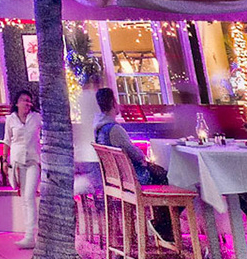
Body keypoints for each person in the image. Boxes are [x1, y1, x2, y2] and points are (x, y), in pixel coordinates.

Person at [95, 90, 172, 241]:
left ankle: (162, 225)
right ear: (113, 103)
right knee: (168, 178)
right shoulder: (115, 129)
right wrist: (143, 158)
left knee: (161, 175)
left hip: (116, 179)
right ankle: (163, 225)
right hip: (132, 179)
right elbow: (134, 153)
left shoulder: (100, 129)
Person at [4, 87, 42, 250]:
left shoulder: (36, 118)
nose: (27, 103)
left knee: (29, 196)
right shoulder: (11, 119)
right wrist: (4, 160)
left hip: (33, 161)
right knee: (25, 199)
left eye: (29, 101)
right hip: (17, 162)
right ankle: (29, 235)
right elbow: (7, 140)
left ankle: (30, 236)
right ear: (17, 103)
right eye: (24, 100)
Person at [72, 67, 104, 203]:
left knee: (93, 182)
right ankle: (99, 206)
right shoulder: (95, 98)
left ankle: (89, 204)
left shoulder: (82, 97)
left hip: (83, 149)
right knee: (98, 184)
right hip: (94, 149)